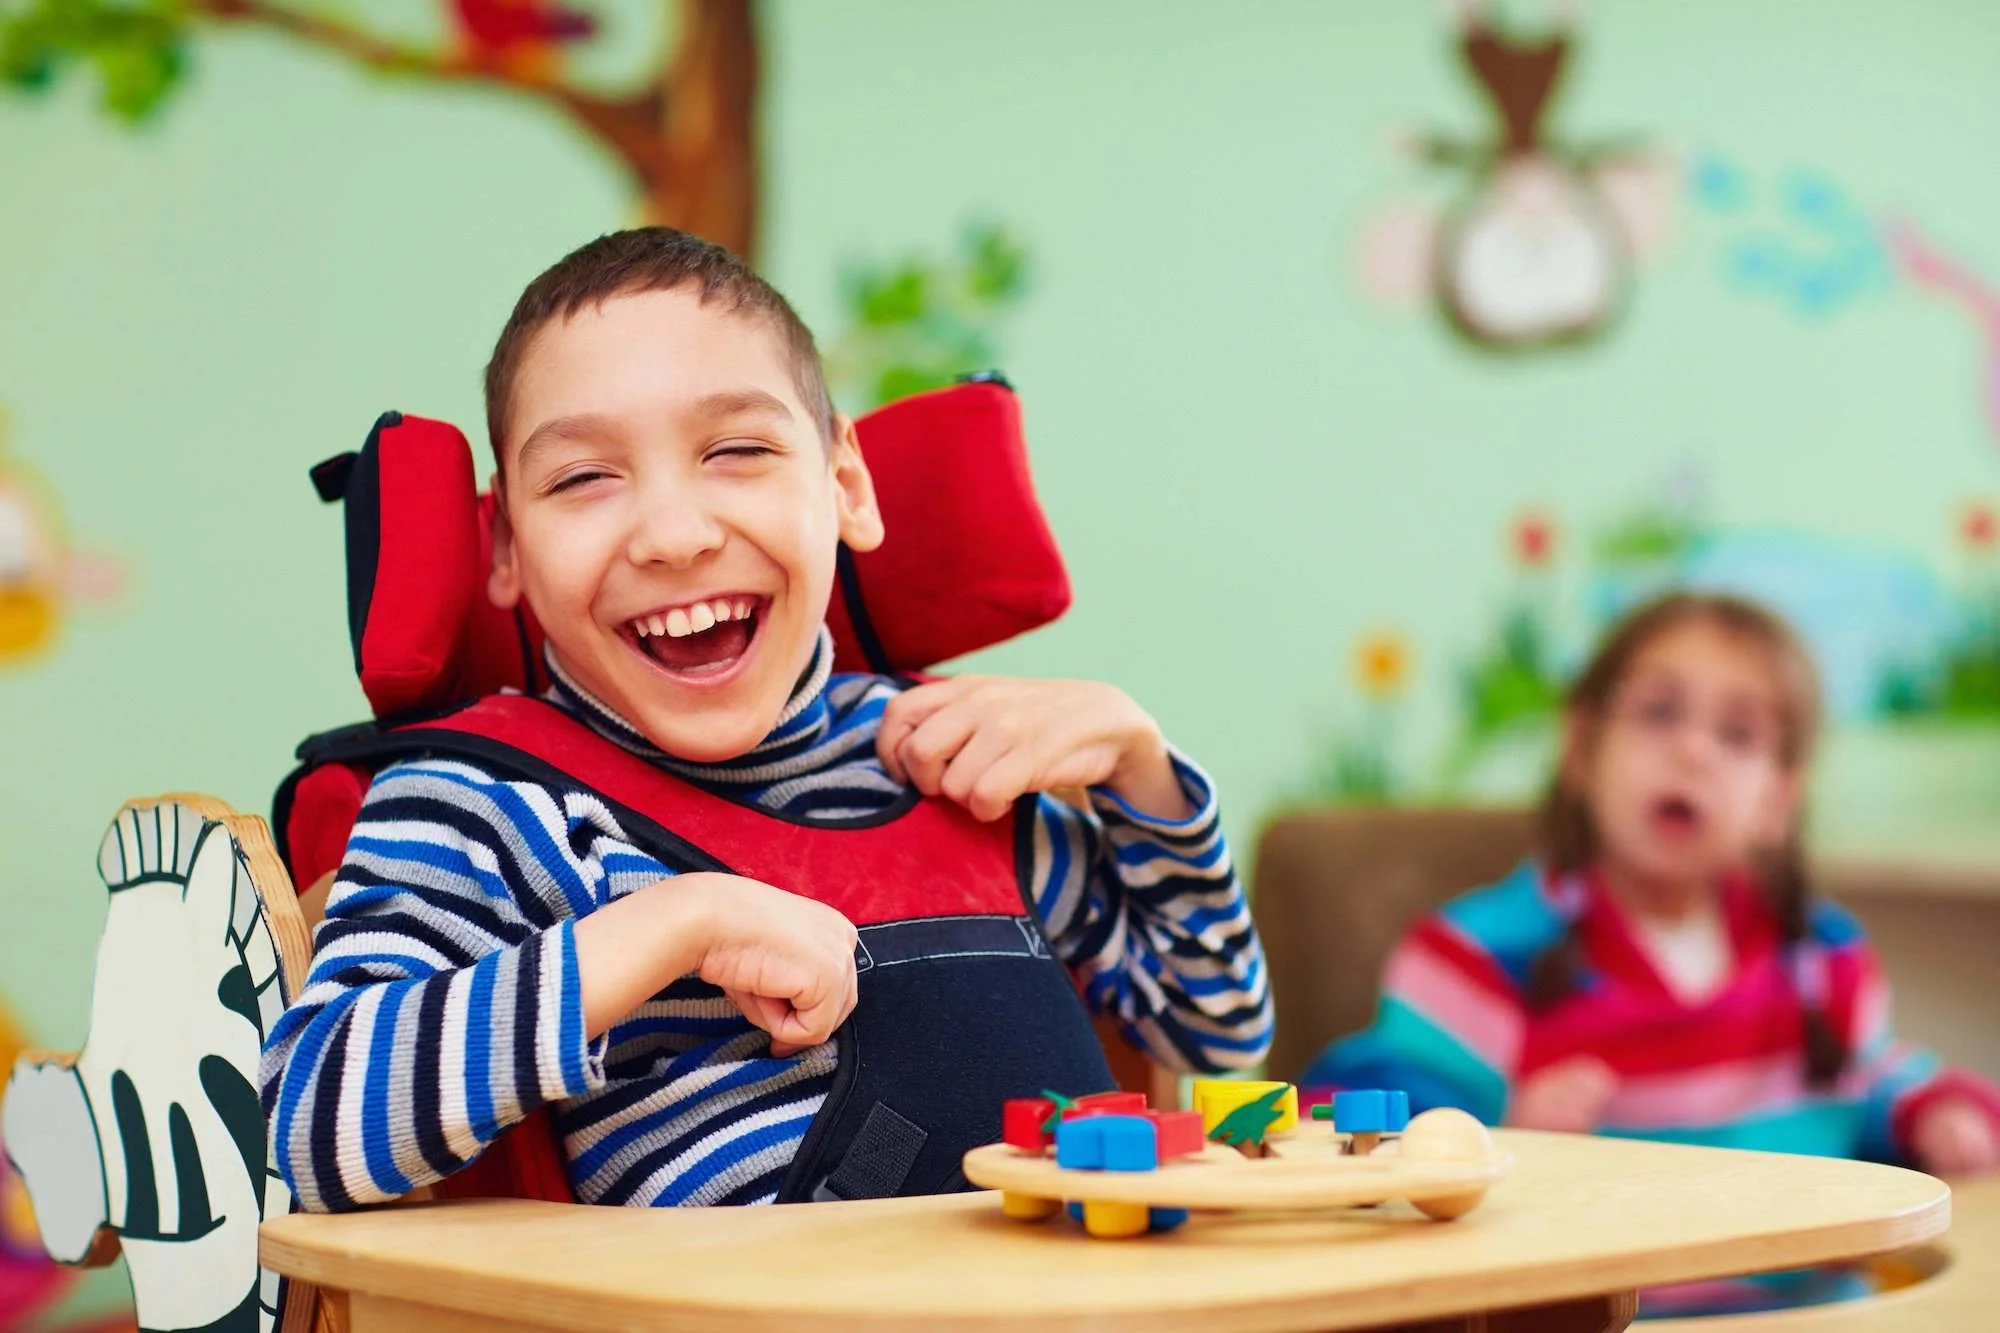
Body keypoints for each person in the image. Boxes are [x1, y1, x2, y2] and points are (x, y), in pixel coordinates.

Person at [263, 228, 1270, 1212]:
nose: (674, 535)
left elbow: (1214, 1034)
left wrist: (1141, 768)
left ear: (844, 486)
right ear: (505, 549)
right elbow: (300, 1126)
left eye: (736, 450)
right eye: (581, 477)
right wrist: (671, 923)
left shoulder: (951, 760)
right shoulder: (488, 801)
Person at [1306, 592, 2000, 1178]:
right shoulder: (1474, 956)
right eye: (1659, 712)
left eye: (1737, 734)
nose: (1693, 751)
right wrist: (1496, 1134)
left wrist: (1936, 1116)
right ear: (1581, 748)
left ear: (1778, 801)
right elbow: (1340, 1119)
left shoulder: (1826, 960)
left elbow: (1876, 1088)